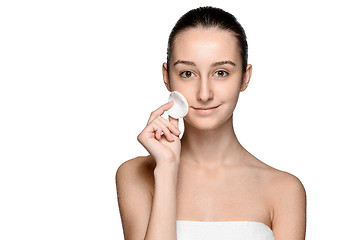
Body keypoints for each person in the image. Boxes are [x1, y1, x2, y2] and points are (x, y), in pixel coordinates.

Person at [116, 6, 306, 240]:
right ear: (167, 77)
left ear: (245, 77)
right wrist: (166, 169)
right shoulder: (135, 175)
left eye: (221, 73)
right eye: (187, 73)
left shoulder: (285, 190)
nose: (204, 93)